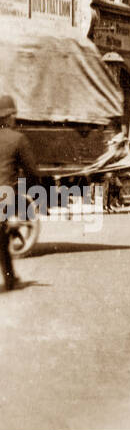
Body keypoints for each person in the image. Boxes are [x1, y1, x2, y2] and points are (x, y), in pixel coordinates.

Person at [0, 93, 36, 292]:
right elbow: (32, 171)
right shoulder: (18, 139)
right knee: (3, 240)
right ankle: (11, 280)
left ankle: (11, 279)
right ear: (8, 117)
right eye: (12, 115)